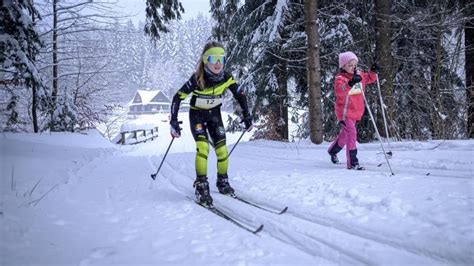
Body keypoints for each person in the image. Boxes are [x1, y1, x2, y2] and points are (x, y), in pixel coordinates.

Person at [169, 41, 253, 207]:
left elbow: (240, 95)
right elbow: (177, 97)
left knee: (222, 150)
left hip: (214, 116)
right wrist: (173, 121)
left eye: (221, 59)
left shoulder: (226, 77)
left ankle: (222, 182)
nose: (217, 63)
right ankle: (201, 186)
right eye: (213, 58)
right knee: (203, 148)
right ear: (205, 60)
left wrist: (247, 115)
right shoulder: (197, 78)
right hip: (197, 116)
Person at [327, 51, 379, 170]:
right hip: (344, 113)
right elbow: (340, 91)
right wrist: (350, 83)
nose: (353, 68)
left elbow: (370, 78)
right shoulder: (340, 78)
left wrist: (373, 71)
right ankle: (352, 163)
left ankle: (332, 151)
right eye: (350, 65)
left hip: (356, 112)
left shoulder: (360, 75)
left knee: (345, 137)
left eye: (354, 65)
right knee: (352, 133)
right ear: (343, 66)